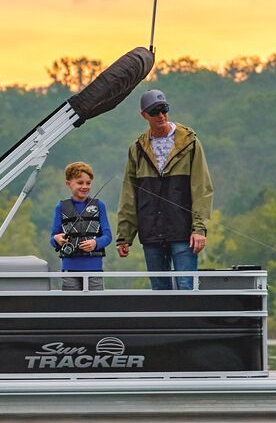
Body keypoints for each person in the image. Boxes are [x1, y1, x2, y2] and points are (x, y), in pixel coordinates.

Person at [114, 88, 214, 290]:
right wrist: (124, 235)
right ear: (144, 115)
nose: (160, 115)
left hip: (183, 232)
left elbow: (201, 188)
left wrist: (199, 229)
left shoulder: (190, 143)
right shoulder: (137, 148)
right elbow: (129, 194)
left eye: (164, 109)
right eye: (154, 111)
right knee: (159, 291)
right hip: (151, 232)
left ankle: (186, 323)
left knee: (187, 287)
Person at [51, 161, 111, 291]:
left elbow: (108, 236)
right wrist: (57, 239)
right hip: (69, 269)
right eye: (80, 183)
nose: (85, 186)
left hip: (94, 269)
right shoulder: (60, 207)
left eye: (88, 183)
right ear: (68, 184)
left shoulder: (100, 206)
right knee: (72, 307)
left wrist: (96, 243)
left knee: (95, 307)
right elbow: (53, 238)